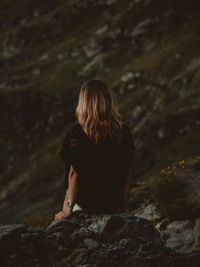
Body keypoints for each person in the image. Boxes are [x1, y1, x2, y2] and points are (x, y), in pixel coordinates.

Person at [55, 77, 136, 220]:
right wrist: (124, 207)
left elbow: (73, 174)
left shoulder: (76, 134)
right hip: (113, 204)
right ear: (109, 101)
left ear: (84, 103)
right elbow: (127, 173)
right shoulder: (124, 132)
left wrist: (68, 209)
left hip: (86, 205)